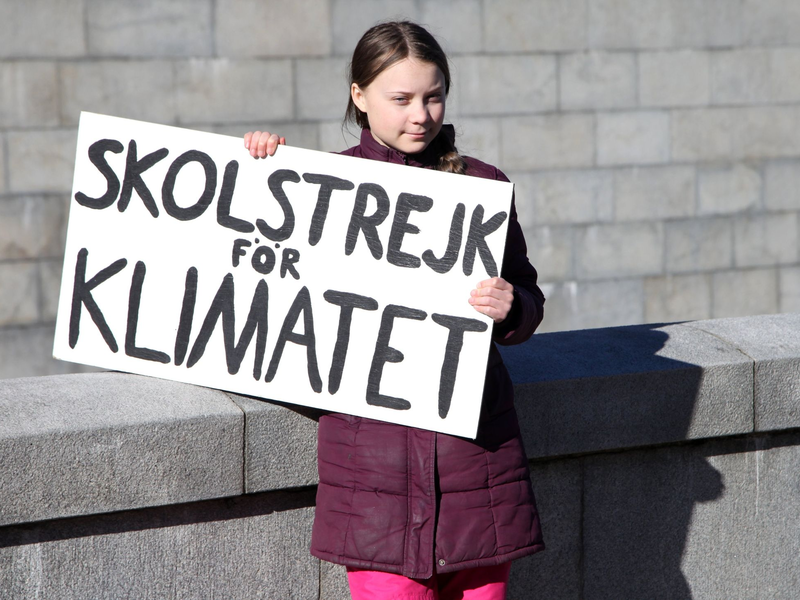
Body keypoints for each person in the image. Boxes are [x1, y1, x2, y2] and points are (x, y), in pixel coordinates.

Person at [244, 20, 545, 600]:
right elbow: (265, 283)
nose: (421, 115)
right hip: (372, 481)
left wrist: (512, 307)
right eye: (401, 99)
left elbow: (528, 299)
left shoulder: (483, 186)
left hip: (479, 470)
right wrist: (259, 170)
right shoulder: (322, 184)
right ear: (359, 95)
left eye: (434, 97)